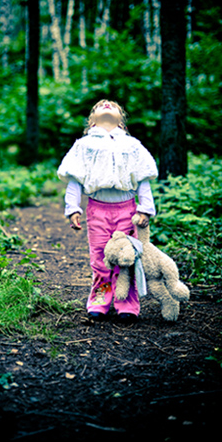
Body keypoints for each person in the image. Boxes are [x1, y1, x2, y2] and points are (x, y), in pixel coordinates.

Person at [57, 99, 158, 322]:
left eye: (112, 105)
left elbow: (143, 180)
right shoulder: (83, 145)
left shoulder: (132, 145)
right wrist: (72, 208)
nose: (106, 104)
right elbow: (74, 180)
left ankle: (127, 302)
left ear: (122, 123)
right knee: (100, 256)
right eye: (100, 105)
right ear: (91, 122)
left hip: (127, 210)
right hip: (97, 210)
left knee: (127, 256)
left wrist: (145, 209)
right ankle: (100, 297)